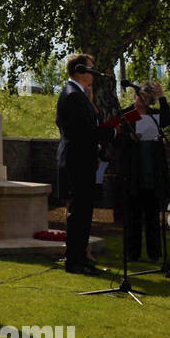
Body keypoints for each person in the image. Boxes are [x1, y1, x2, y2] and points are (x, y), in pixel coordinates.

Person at [55, 54, 108, 276]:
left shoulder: (80, 94)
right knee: (78, 212)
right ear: (79, 70)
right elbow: (83, 131)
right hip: (77, 160)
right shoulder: (73, 95)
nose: (94, 75)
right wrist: (111, 132)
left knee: (85, 211)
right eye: (91, 70)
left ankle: (82, 257)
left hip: (83, 159)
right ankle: (74, 260)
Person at [117, 80, 170, 262]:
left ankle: (154, 253)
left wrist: (163, 97)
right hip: (133, 170)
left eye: (147, 97)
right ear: (135, 95)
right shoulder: (128, 114)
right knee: (133, 214)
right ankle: (132, 253)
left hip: (152, 169)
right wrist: (130, 137)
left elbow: (168, 119)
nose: (142, 100)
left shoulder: (154, 114)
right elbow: (115, 138)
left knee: (152, 215)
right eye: (141, 95)